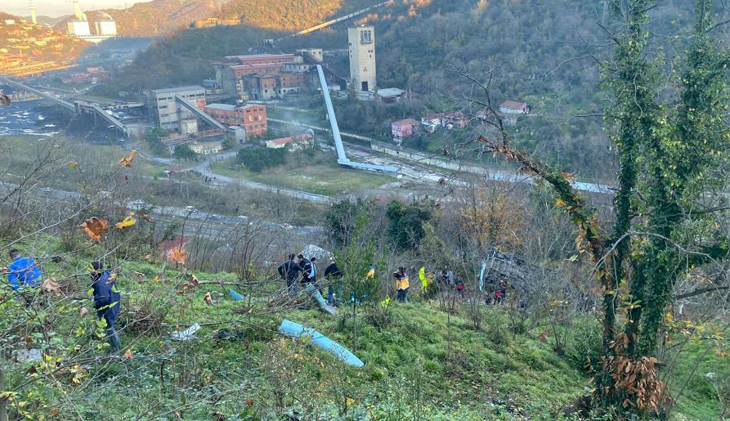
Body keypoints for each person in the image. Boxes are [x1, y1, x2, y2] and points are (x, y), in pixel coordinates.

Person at [90, 261, 121, 352]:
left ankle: (116, 349)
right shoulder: (106, 274)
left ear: (96, 270)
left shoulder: (100, 284)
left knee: (109, 327)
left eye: (91, 269)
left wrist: (94, 303)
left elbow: (104, 299)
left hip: (108, 308)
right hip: (114, 302)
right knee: (109, 326)